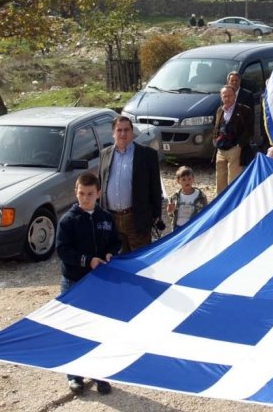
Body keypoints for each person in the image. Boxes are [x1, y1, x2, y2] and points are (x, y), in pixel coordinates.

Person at [55, 172, 120, 394]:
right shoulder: (68, 220)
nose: (85, 198)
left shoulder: (106, 218)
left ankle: (99, 374)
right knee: (74, 329)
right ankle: (74, 376)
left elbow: (115, 241)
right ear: (76, 192)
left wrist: (112, 253)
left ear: (99, 193)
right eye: (81, 193)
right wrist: (86, 260)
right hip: (74, 282)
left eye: (90, 194)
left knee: (99, 329)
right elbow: (62, 250)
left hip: (99, 283)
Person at [100, 116, 163, 252]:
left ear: (132, 132)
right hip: (112, 219)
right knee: (117, 261)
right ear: (113, 133)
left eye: (126, 130)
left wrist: (156, 215)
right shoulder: (104, 154)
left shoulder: (147, 155)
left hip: (136, 218)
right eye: (119, 130)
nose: (123, 134)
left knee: (140, 261)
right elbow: (101, 185)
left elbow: (155, 188)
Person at [213, 84, 254, 194]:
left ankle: (233, 201)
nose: (227, 98)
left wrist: (239, 146)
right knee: (220, 179)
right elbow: (216, 127)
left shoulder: (244, 110)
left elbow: (249, 130)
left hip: (235, 148)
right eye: (224, 96)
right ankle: (220, 202)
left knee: (233, 179)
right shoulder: (219, 110)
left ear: (235, 96)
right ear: (221, 97)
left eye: (230, 96)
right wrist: (215, 141)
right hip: (221, 149)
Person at [165, 166, 207, 232]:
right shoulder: (175, 197)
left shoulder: (200, 196)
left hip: (193, 228)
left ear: (193, 179)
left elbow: (206, 211)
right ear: (178, 181)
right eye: (184, 179)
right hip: (178, 228)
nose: (187, 181)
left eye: (189, 179)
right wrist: (170, 210)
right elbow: (171, 214)